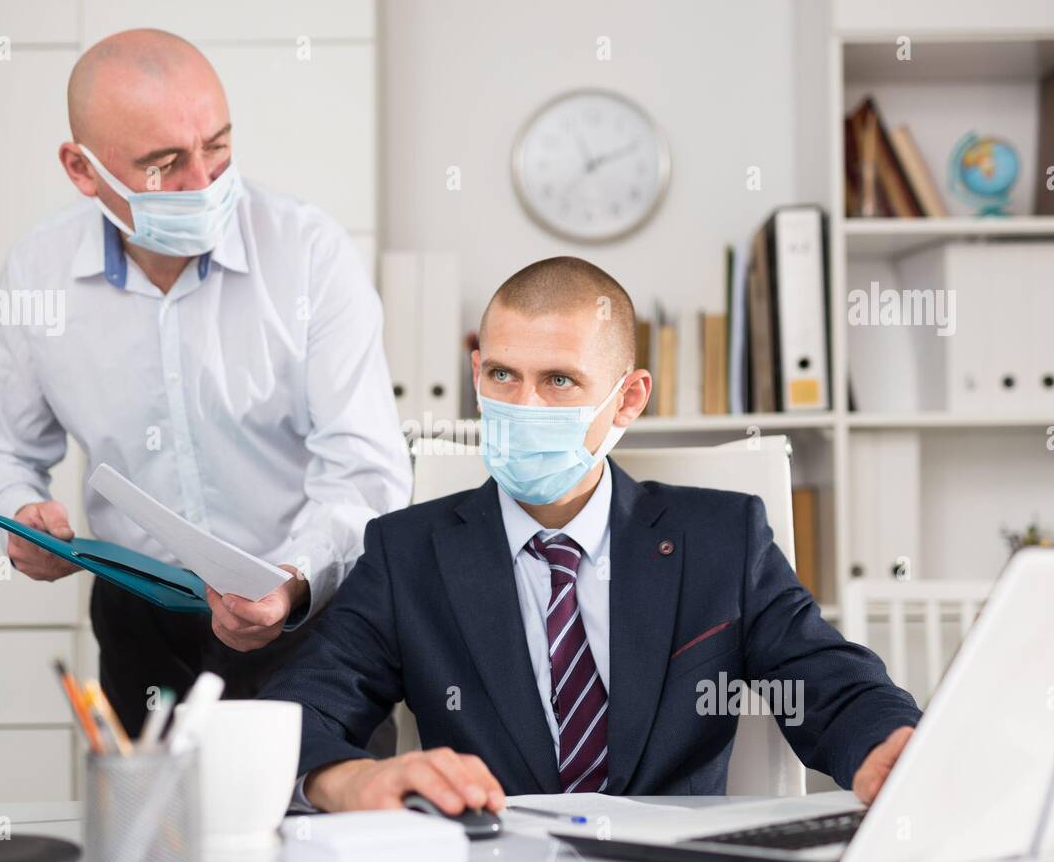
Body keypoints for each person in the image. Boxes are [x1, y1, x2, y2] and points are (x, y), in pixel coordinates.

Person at [259, 256, 921, 813]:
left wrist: (888, 743)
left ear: (628, 399)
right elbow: (301, 712)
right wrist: (351, 779)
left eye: (558, 380)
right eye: (502, 376)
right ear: (476, 375)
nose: (523, 407)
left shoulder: (721, 538)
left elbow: (827, 683)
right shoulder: (408, 554)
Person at [0, 29, 411, 737]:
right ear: (81, 169)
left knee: (336, 829)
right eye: (165, 163)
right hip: (142, 627)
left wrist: (290, 580)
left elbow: (366, 469)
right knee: (158, 839)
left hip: (313, 613)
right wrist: (21, 512)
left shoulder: (309, 255)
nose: (204, 181)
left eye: (217, 145)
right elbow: (4, 448)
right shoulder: (37, 275)